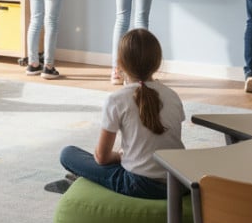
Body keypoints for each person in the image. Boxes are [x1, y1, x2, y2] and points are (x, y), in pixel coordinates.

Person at [45, 29, 183, 197]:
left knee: (68, 154)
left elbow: (101, 157)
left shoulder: (117, 99)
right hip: (177, 182)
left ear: (120, 63)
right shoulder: (173, 96)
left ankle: (82, 182)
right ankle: (83, 180)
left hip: (139, 185)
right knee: (131, 162)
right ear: (158, 62)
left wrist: (120, 156)